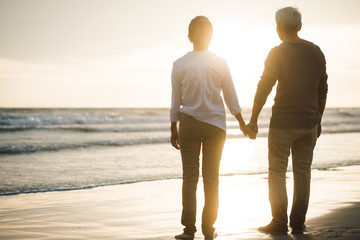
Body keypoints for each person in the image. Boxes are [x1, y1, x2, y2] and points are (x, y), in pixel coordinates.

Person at [247, 7, 328, 234]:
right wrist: (318, 119)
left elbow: (264, 87)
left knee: (277, 172)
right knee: (302, 173)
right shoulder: (317, 52)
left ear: (278, 28)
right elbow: (323, 89)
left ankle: (279, 222)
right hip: (308, 123)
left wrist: (253, 119)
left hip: (282, 123)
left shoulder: (277, 53)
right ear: (299, 27)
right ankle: (299, 222)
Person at [170, 16, 250, 240]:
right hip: (216, 125)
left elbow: (176, 101)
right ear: (211, 37)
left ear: (189, 36)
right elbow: (231, 96)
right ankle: (208, 229)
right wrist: (242, 123)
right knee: (211, 178)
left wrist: (173, 127)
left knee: (189, 177)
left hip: (189, 123)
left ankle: (188, 230)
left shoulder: (179, 64)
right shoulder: (220, 62)